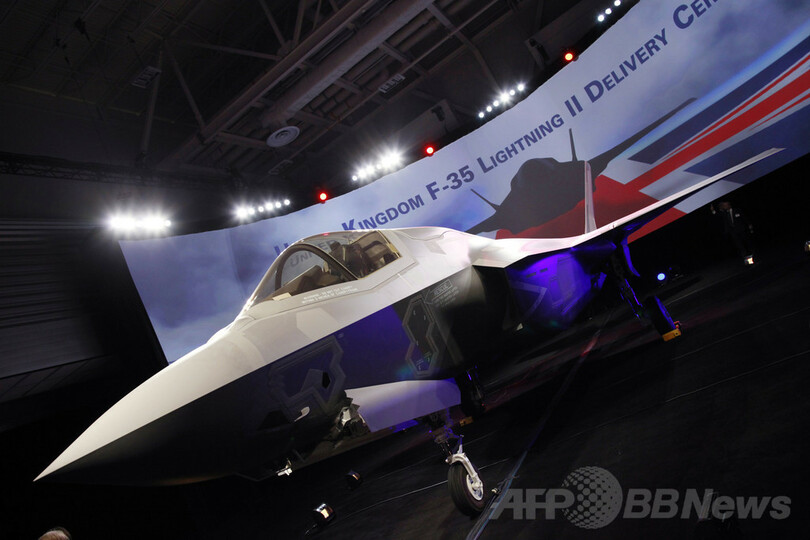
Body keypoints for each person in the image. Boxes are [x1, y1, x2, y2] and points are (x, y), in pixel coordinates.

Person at [711, 201, 755, 265]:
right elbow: (717, 214)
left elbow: (744, 218)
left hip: (741, 230)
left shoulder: (737, 210)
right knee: (740, 245)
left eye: (725, 205)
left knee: (746, 242)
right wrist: (713, 210)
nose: (724, 207)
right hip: (733, 232)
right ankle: (746, 259)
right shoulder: (725, 213)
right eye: (723, 206)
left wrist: (749, 225)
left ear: (729, 205)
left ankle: (753, 255)